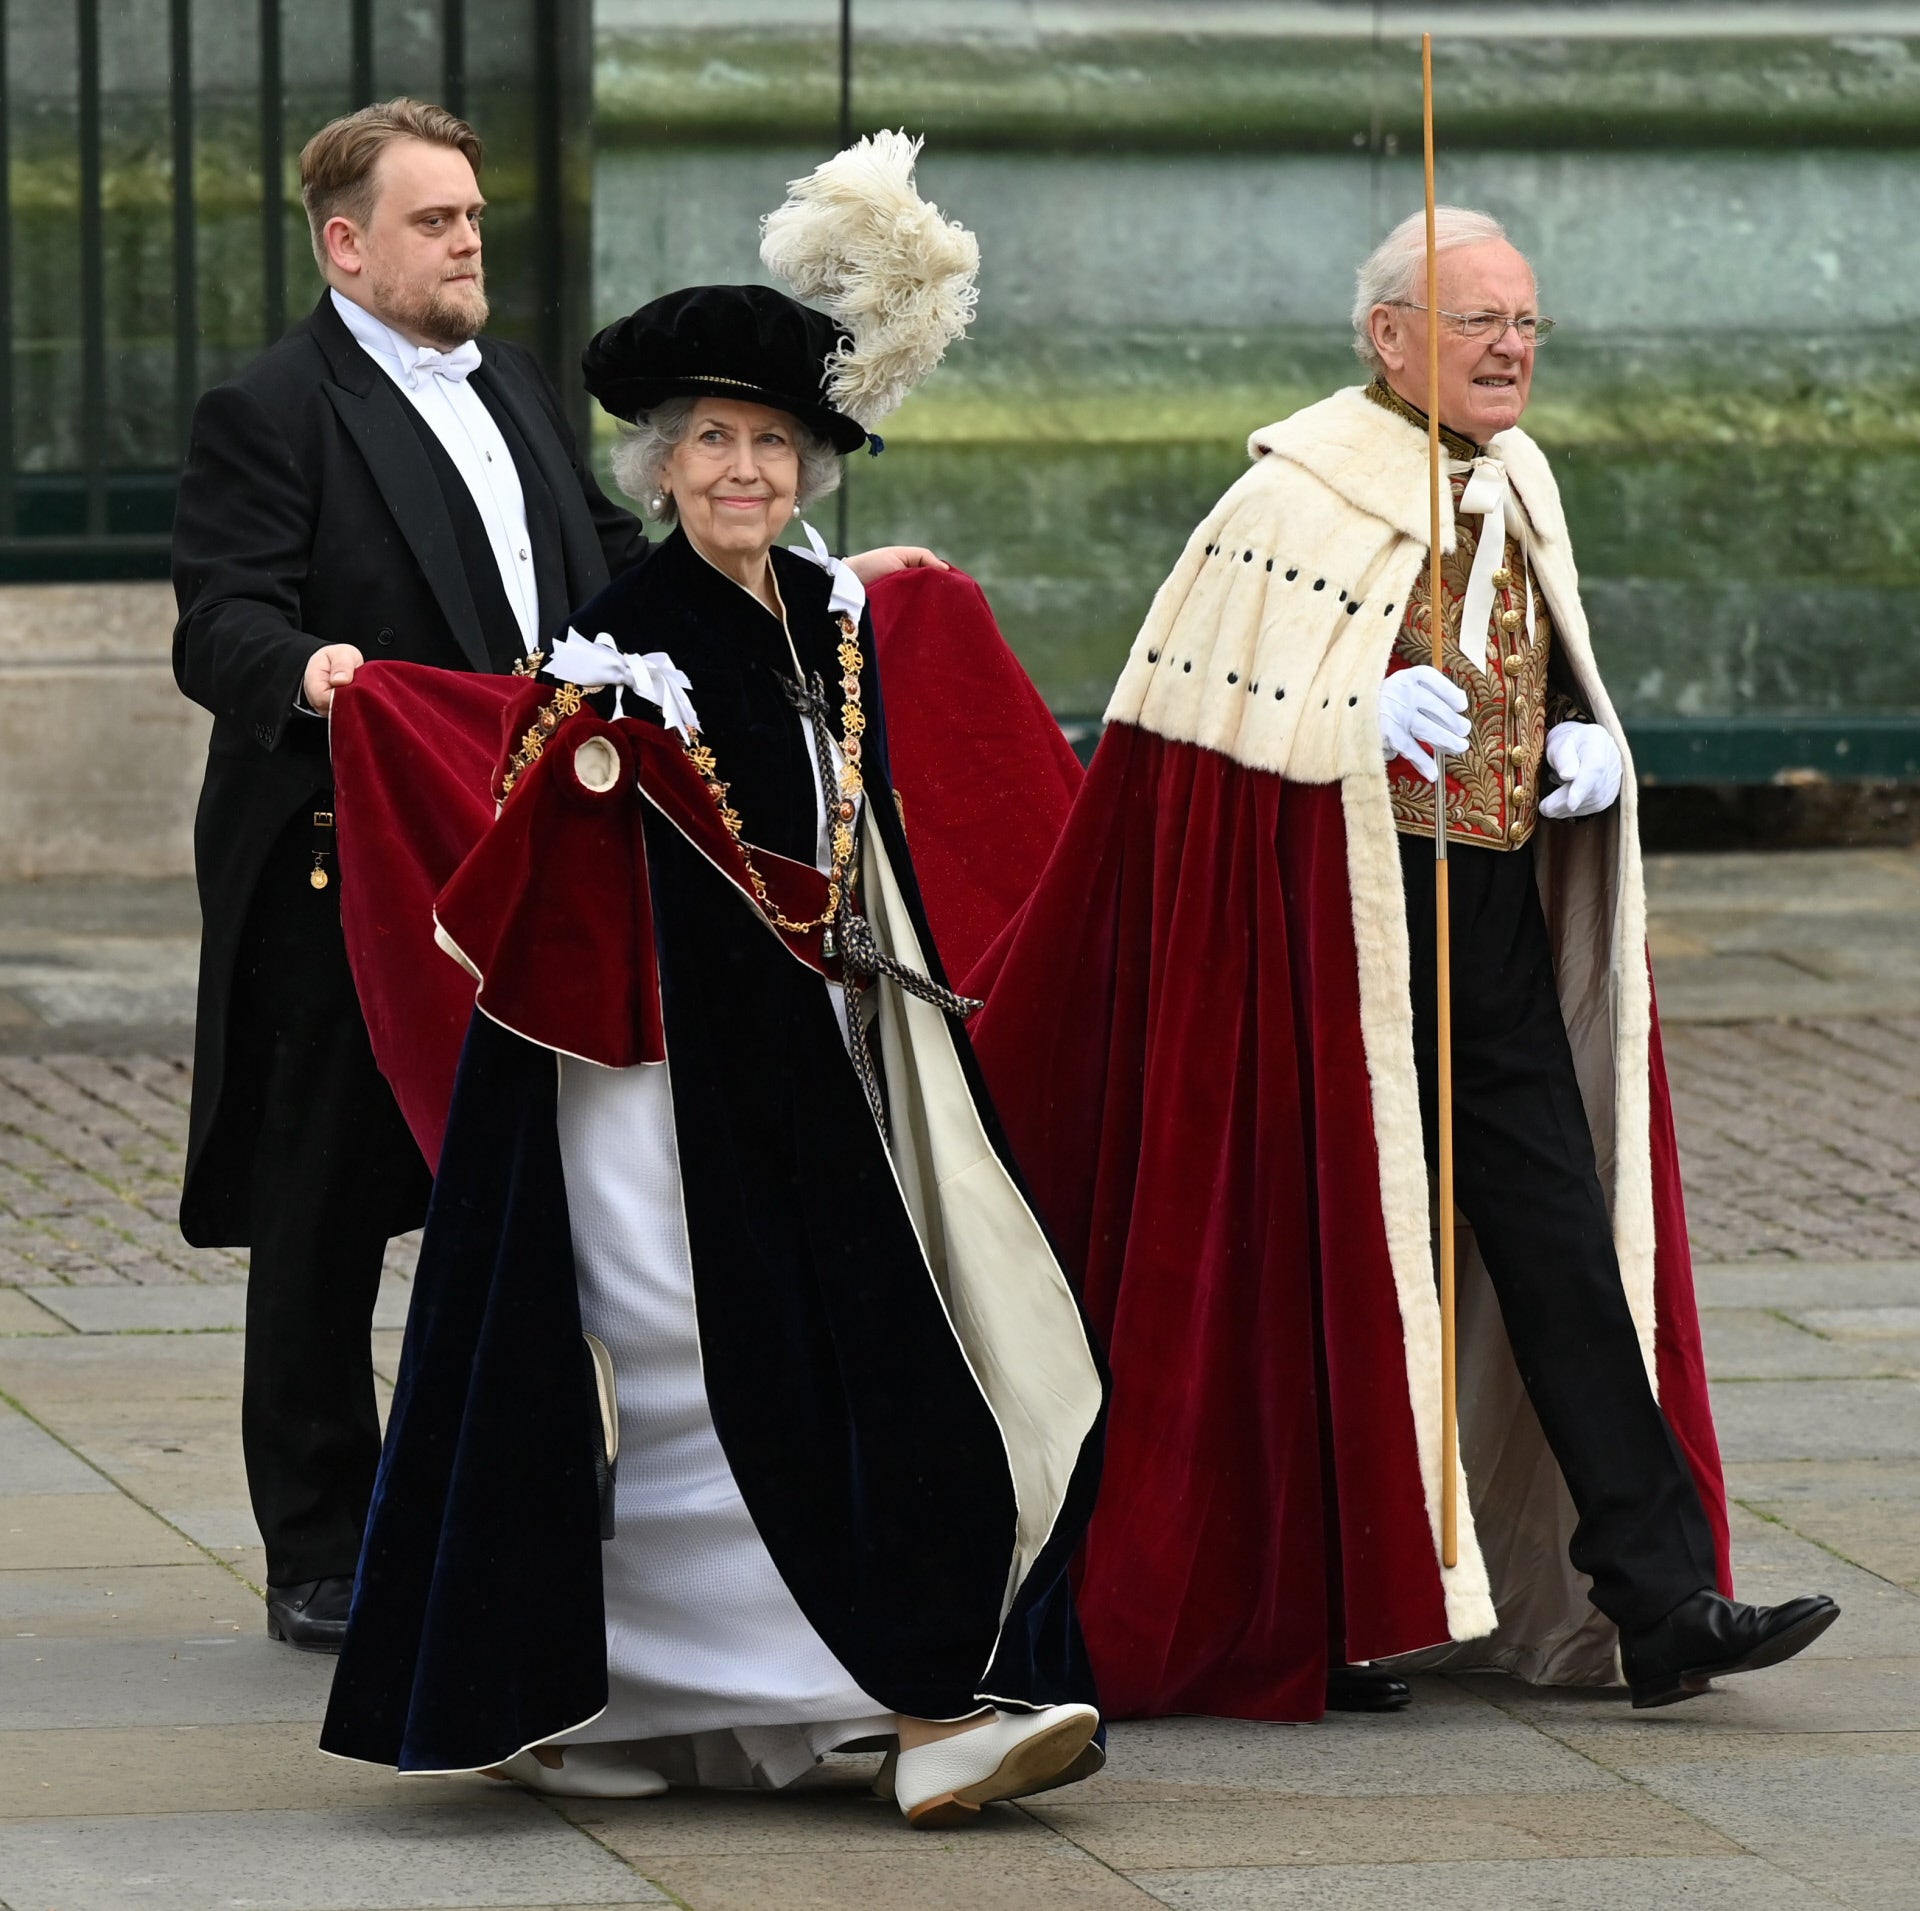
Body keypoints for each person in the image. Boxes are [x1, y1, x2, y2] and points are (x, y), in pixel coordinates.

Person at [318, 135, 1108, 1827]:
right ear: (661, 466)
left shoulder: (818, 614)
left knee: (872, 1357)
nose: (743, 470)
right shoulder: (627, 642)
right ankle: (899, 1707)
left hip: (814, 1061)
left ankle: (760, 1702)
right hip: (657, 1096)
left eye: (771, 442)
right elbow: (594, 915)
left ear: (810, 468)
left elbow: (855, 846)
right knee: (733, 1375)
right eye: (712, 444)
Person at [963, 206, 1838, 1719]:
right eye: (1481, 322)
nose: (1513, 350)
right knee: (1334, 1259)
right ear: (1389, 335)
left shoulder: (1521, 474)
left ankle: (1658, 1599)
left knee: (1563, 1246)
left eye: (1528, 325)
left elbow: (1544, 653)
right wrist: (1338, 726)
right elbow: (1199, 719)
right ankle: (1327, 1611)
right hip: (1330, 930)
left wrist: (1582, 738)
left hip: (1489, 920)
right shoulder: (1293, 497)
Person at [169, 99, 941, 1650]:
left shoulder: (510, 379)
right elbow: (218, 617)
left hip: (532, 852)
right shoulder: (269, 408)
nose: (469, 244)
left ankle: (525, 1499)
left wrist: (804, 576)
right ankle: (318, 1542)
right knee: (323, 1210)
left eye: (472, 218)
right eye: (436, 221)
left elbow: (605, 562)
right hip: (352, 857)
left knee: (527, 1181)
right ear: (347, 243)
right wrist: (321, 673)